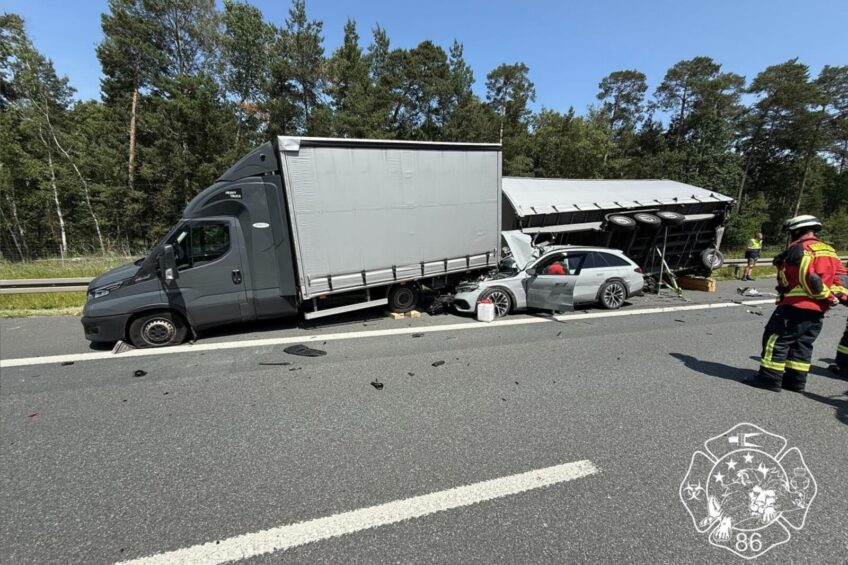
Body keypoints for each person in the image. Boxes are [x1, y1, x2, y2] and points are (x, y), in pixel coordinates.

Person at [745, 215, 847, 392]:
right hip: (818, 311)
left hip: (796, 305)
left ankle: (769, 378)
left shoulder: (800, 248)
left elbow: (808, 277)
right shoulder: (829, 250)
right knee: (802, 344)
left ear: (797, 231)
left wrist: (826, 297)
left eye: (791, 232)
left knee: (775, 339)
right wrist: (836, 296)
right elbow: (843, 279)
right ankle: (795, 381)